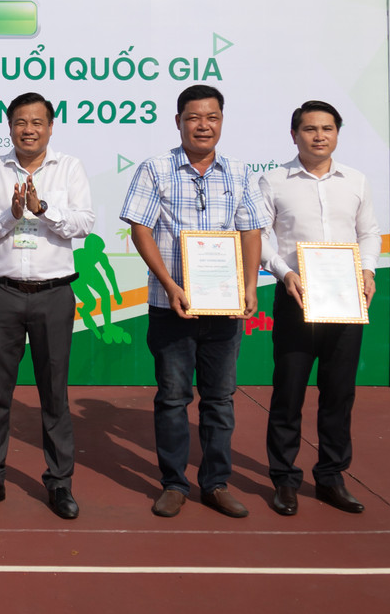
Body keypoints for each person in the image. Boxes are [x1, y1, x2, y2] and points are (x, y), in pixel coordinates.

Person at [120, 85, 267, 520]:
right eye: (193, 118)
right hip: (172, 305)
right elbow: (141, 229)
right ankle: (173, 484)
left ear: (221, 121)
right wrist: (169, 285)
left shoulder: (239, 172)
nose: (203, 126)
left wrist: (250, 285)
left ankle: (216, 483)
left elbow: (251, 230)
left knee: (219, 399)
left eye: (212, 117)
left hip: (224, 307)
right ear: (178, 121)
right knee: (172, 397)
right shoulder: (155, 169)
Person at [0, 93, 95, 521]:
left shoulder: (69, 168)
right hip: (3, 293)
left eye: (37, 122)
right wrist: (11, 213)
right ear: (9, 126)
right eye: (20, 122)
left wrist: (43, 209)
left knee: (54, 393)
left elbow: (84, 223)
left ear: (51, 127)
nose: (29, 130)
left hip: (54, 294)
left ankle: (59, 482)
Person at [259, 101, 379, 517]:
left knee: (339, 393)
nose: (319, 136)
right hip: (297, 298)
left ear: (337, 133)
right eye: (310, 129)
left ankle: (331, 476)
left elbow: (369, 232)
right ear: (294, 135)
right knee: (288, 392)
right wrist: (284, 273)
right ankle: (284, 479)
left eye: (327, 128)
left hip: (346, 301)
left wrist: (367, 271)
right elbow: (260, 237)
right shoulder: (273, 181)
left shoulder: (356, 181)